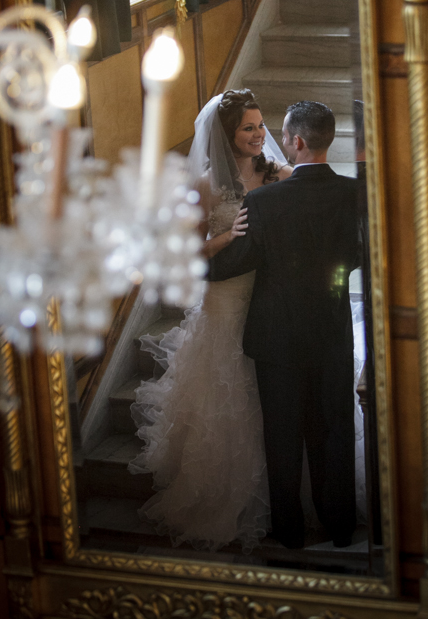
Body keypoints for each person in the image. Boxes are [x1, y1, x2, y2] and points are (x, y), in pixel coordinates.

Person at [129, 89, 291, 552]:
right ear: (226, 134)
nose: (259, 135)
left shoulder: (279, 175)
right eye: (248, 128)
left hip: (270, 295)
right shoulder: (203, 186)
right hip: (223, 298)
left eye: (261, 126)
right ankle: (221, 493)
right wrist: (225, 237)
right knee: (226, 389)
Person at [209, 101, 360, 549]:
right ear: (327, 138)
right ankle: (340, 527)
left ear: (295, 141)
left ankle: (290, 530)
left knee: (282, 434)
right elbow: (358, 256)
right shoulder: (354, 194)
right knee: (334, 430)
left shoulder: (263, 200)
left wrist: (197, 266)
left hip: (277, 337)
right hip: (331, 330)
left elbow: (238, 262)